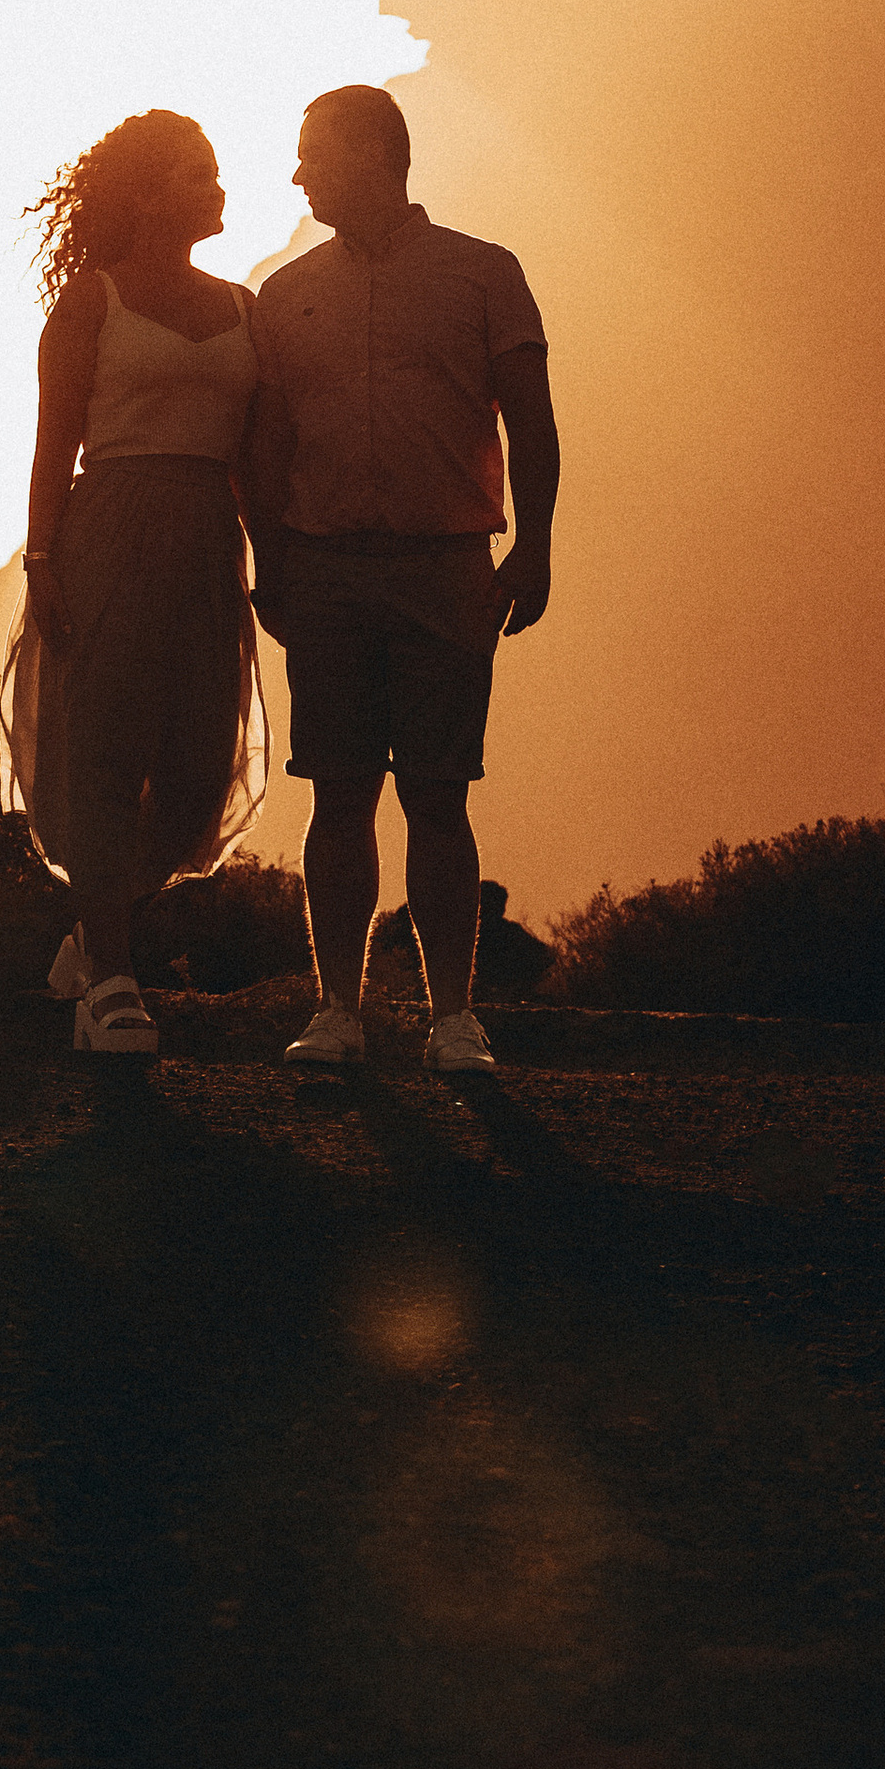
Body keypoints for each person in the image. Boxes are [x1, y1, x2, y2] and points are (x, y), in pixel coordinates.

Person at [251, 84, 558, 1074]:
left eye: (312, 153)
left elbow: (531, 422)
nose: (297, 173)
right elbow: (263, 445)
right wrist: (271, 562)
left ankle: (451, 1017)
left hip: (445, 565)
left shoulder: (482, 276)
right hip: (326, 566)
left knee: (437, 791)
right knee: (335, 791)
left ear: (369, 152)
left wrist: (536, 548)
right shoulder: (282, 293)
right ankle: (338, 1010)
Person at [0, 109, 272, 1055]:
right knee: (104, 754)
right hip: (109, 528)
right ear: (148, 194)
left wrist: (268, 559)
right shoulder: (93, 302)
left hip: (206, 539)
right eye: (198, 174)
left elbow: (256, 460)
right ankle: (112, 983)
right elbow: (50, 449)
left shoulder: (244, 308)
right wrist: (40, 562)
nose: (219, 188)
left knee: (198, 769)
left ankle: (91, 927)